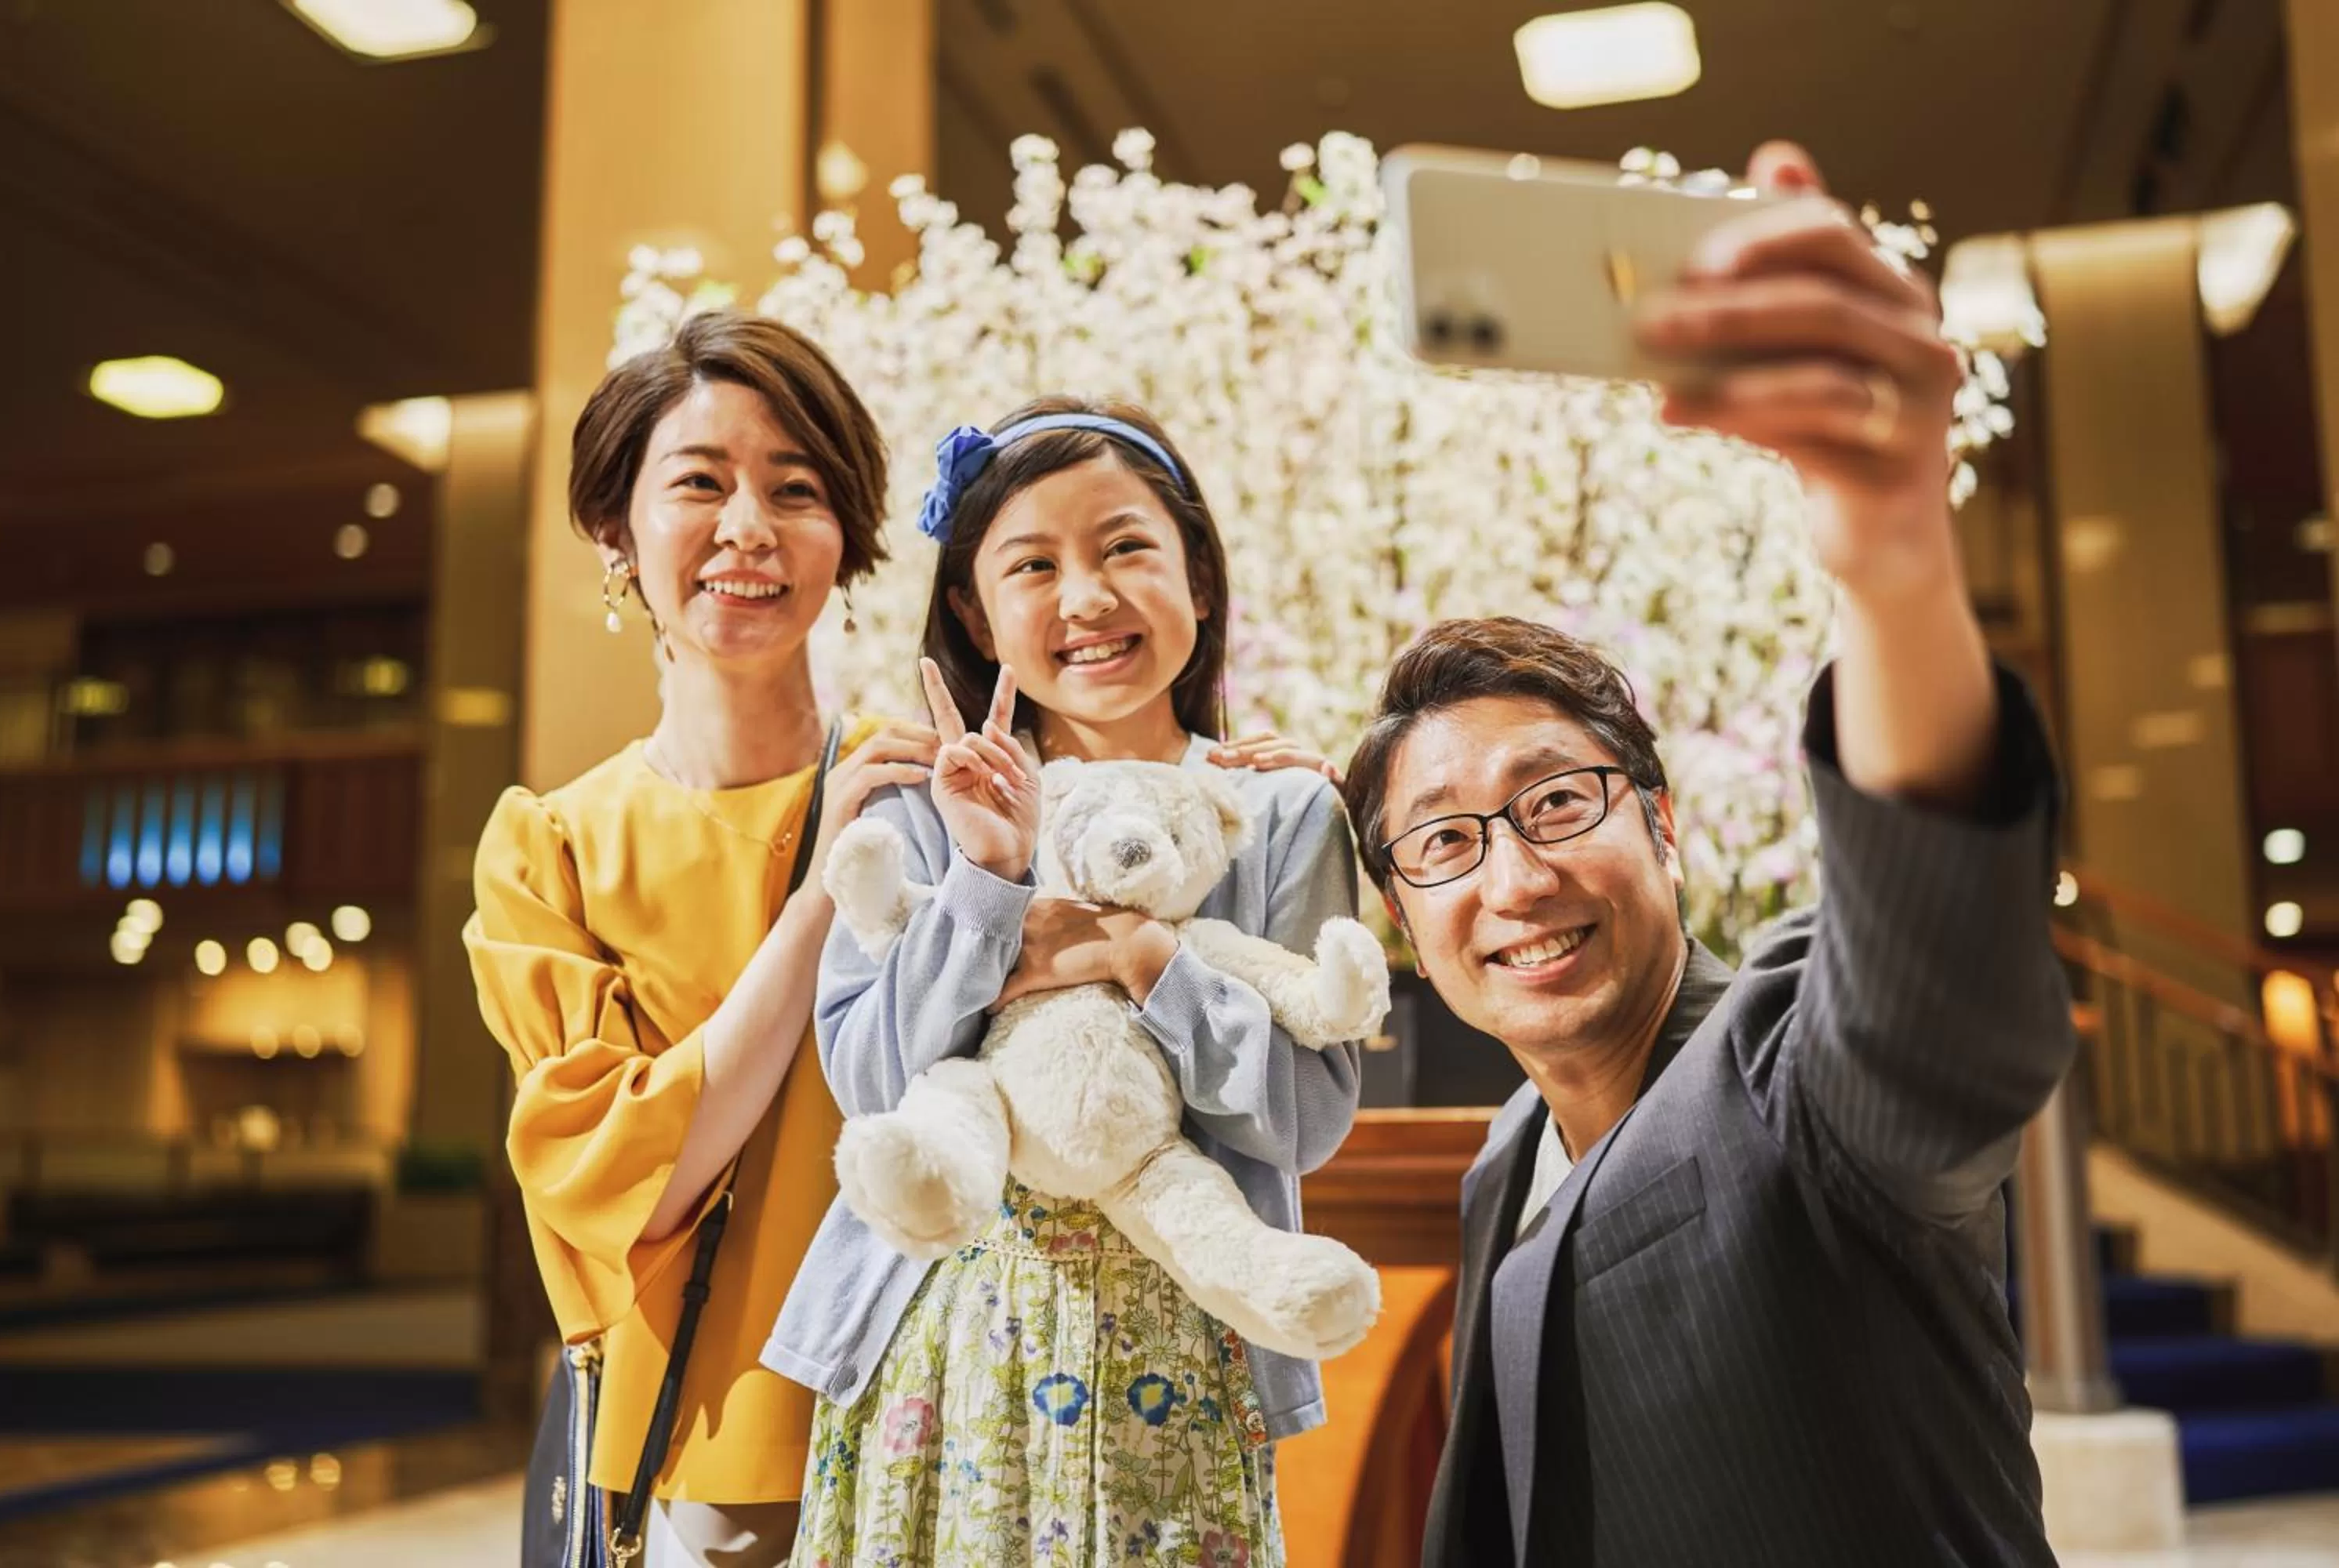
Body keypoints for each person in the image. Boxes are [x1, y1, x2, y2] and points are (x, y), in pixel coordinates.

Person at [1335, 143, 2076, 1566]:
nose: (1515, 880)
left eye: (1558, 803)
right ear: (1400, 913)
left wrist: (1892, 551)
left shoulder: (1794, 1075)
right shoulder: (1507, 1158)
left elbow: (1936, 1000)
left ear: (1662, 825)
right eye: (1444, 842)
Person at [770, 397, 1370, 1565]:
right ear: (973, 612)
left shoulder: (1281, 810)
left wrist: (1143, 958)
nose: (1086, 597)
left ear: (1200, 578)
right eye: (1033, 564)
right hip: (937, 1349)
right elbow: (874, 1085)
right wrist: (987, 884)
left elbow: (1305, 1120)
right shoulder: (925, 807)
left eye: (1125, 546)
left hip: (1186, 1355)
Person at [464, 310, 940, 1566]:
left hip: (946, 1423)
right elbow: (634, 1178)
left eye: (796, 490)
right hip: (700, 1468)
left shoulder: (929, 793)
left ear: (845, 537)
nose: (749, 528)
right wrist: (827, 889)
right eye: (698, 483)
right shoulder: (551, 848)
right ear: (614, 530)